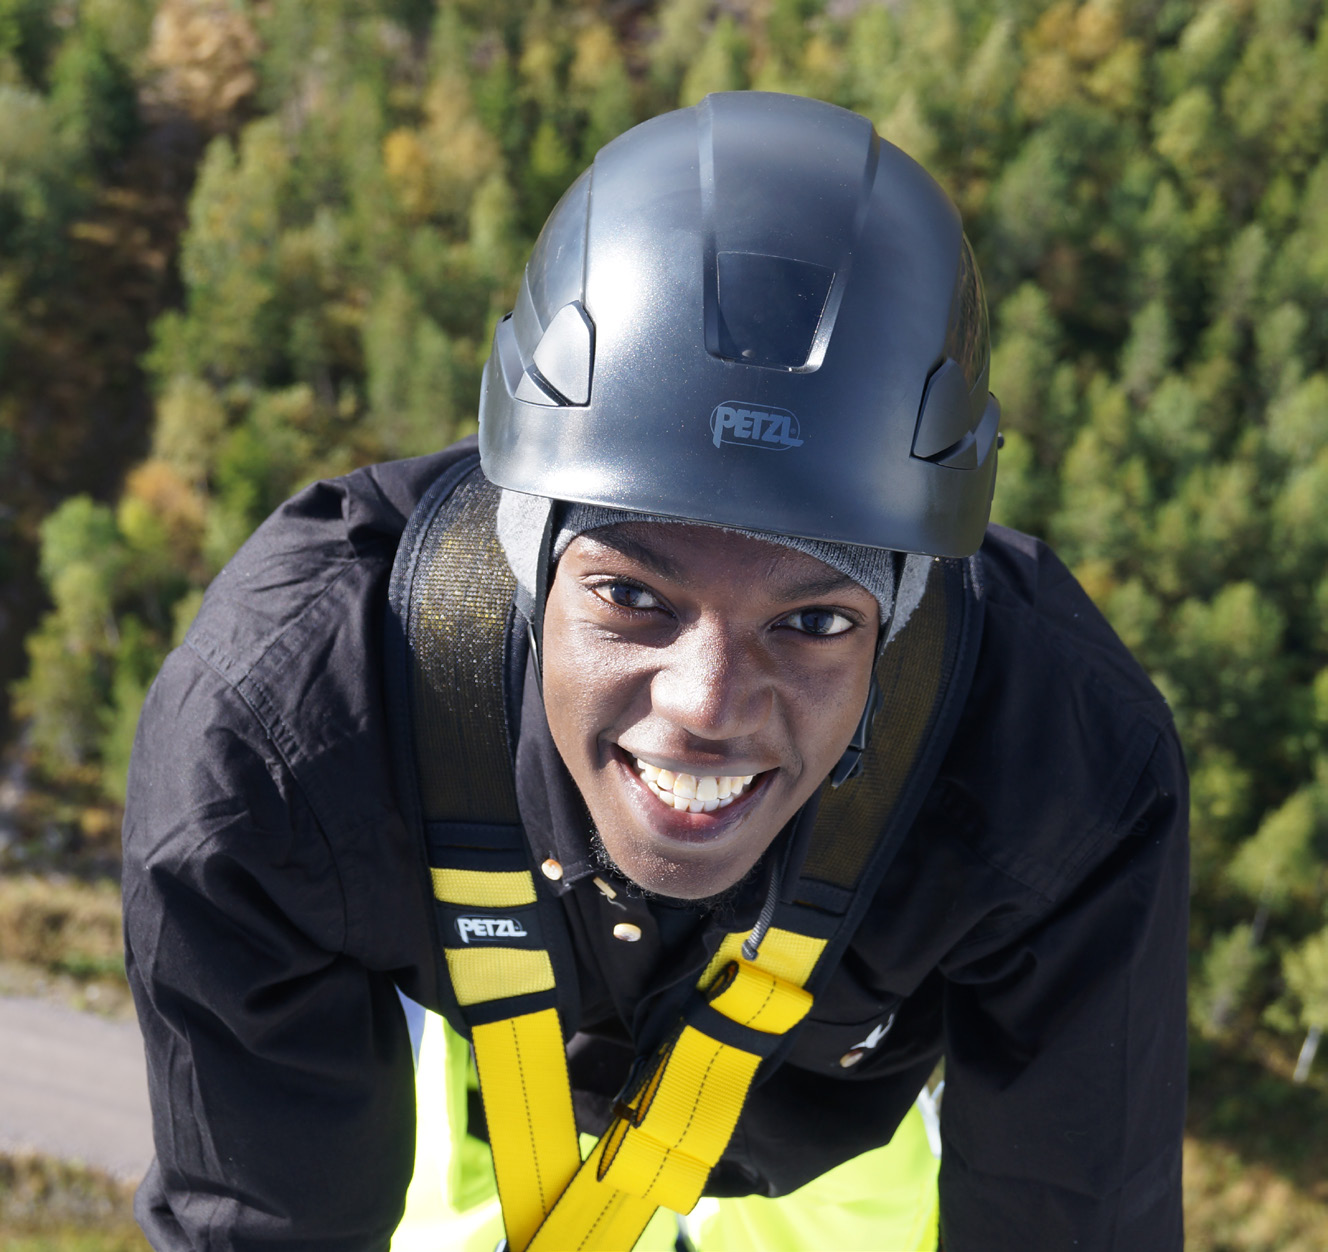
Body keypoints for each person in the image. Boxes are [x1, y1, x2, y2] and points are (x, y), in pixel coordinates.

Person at [123, 92, 1188, 1252]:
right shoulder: (286, 742)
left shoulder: (1058, 773)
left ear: (901, 614)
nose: (703, 706)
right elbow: (262, 1225)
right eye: (632, 597)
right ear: (527, 562)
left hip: (822, 1144)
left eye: (814, 624)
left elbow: (1072, 1221)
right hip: (500, 1094)